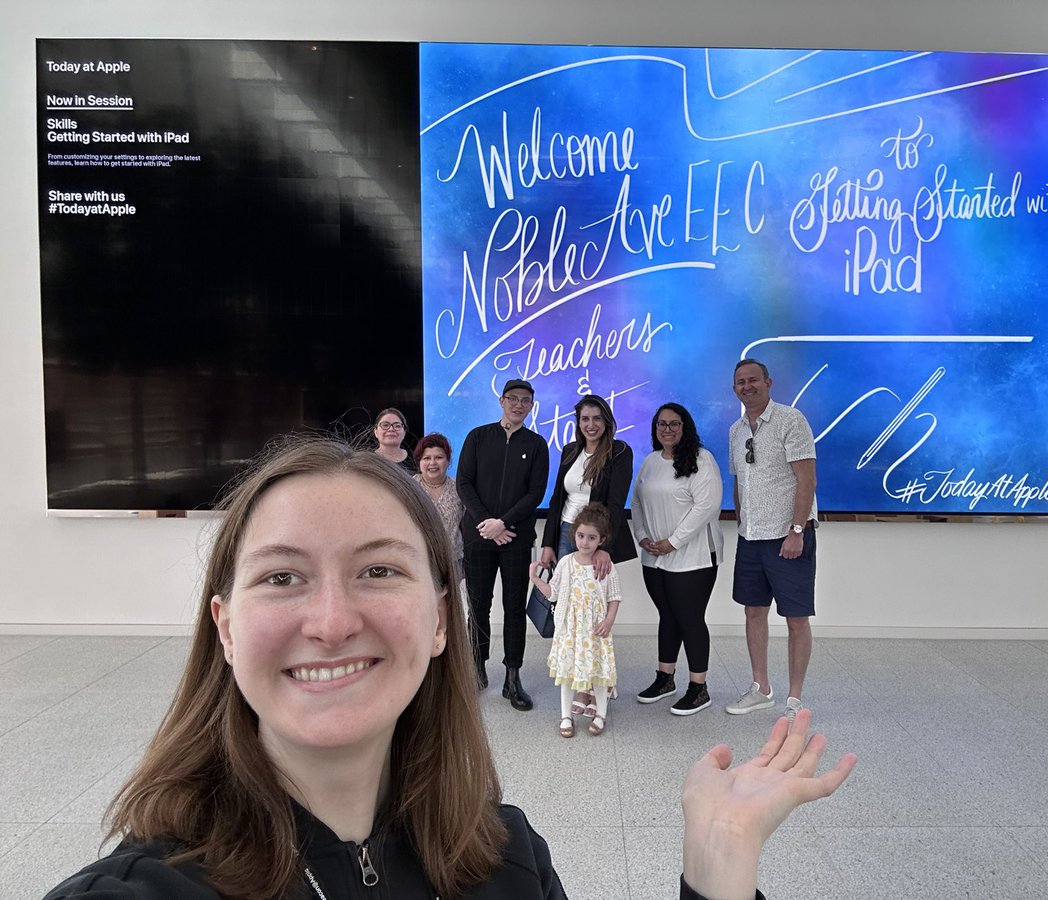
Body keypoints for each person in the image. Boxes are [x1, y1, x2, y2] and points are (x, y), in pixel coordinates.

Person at [45, 437, 858, 900]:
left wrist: (716, 870)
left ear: (441, 618)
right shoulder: (134, 897)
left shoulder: (508, 860)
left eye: (379, 570)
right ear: (224, 626)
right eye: (282, 576)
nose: (331, 622)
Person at [725, 358, 820, 719]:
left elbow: (807, 480)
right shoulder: (736, 430)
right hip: (751, 537)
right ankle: (761, 688)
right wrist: (740, 522)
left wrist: (797, 530)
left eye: (753, 380)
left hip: (788, 537)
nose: (746, 386)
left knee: (796, 617)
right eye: (740, 382)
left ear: (768, 382)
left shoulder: (791, 421)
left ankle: (794, 699)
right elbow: (739, 480)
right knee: (753, 612)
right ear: (734, 389)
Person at [538, 394, 636, 715]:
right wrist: (549, 541)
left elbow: (616, 503)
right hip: (567, 536)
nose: (590, 425)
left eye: (596, 418)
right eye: (584, 419)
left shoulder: (619, 452)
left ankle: (601, 681)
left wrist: (603, 547)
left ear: (606, 420)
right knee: (569, 615)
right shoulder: (570, 451)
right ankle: (581, 683)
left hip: (595, 540)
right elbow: (556, 499)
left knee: (596, 617)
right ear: (578, 423)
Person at [457, 379, 550, 709]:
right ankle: (477, 669)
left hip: (516, 540)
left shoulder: (537, 444)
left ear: (531, 405)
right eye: (513, 398)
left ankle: (513, 677)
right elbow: (464, 483)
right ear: (501, 400)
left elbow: (536, 493)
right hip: (479, 536)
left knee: (514, 608)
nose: (519, 405)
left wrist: (504, 523)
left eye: (526, 400)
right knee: (478, 606)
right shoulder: (478, 437)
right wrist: (488, 524)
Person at [630, 403, 724, 716]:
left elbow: (707, 506)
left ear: (686, 427)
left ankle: (699, 688)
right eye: (661, 424)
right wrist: (642, 536)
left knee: (690, 618)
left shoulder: (701, 459)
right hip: (654, 557)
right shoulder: (651, 461)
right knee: (667, 616)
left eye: (674, 424)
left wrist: (673, 541)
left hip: (693, 558)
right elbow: (637, 502)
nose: (667, 429)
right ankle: (665, 678)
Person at [530, 503, 621, 739]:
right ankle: (565, 716)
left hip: (595, 631)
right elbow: (554, 593)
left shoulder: (605, 566)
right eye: (581, 536)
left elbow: (614, 597)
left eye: (592, 538)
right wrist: (534, 579)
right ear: (574, 535)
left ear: (601, 540)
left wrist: (609, 621)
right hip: (570, 630)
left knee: (598, 671)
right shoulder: (566, 563)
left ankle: (601, 712)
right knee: (568, 672)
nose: (585, 542)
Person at [412, 432, 464, 580]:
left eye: (439, 457)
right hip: (419, 561)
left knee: (450, 603)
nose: (432, 463)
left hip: (454, 563)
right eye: (426, 458)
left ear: (448, 461)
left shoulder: (459, 489)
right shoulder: (409, 488)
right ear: (419, 462)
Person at [373, 407, 416, 472]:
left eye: (397, 426)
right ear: (376, 432)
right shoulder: (367, 460)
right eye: (385, 425)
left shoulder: (416, 459)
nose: (391, 429)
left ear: (404, 433)